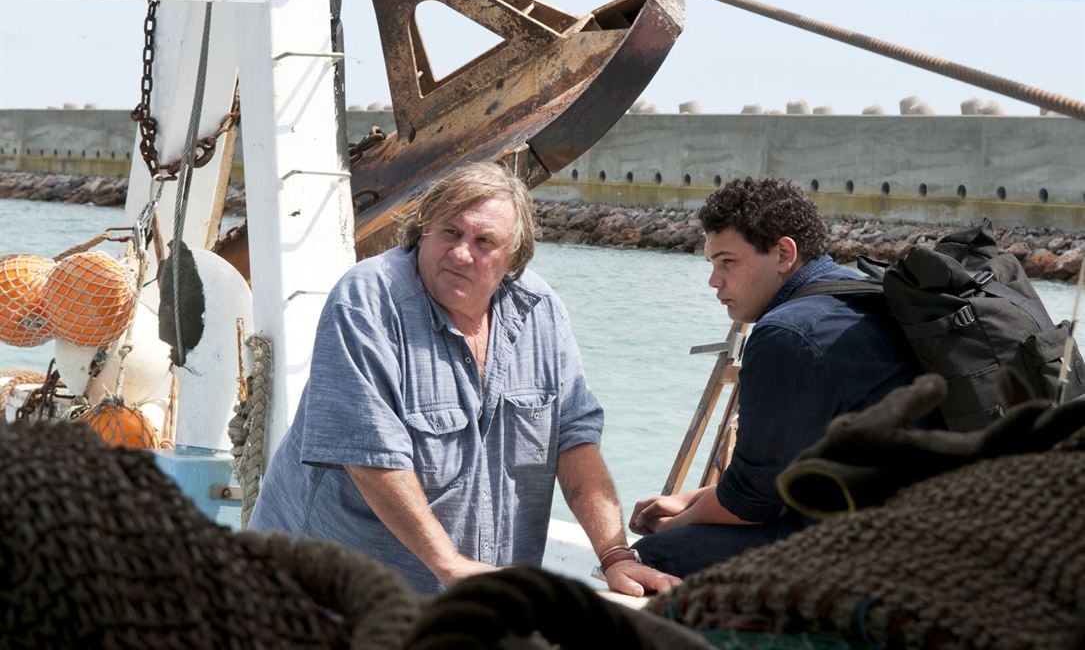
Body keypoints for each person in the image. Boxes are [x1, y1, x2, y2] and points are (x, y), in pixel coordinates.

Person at [251, 162, 679, 596]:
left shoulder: (541, 311)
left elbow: (573, 438)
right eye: (450, 233)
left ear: (512, 257)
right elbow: (372, 458)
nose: (460, 253)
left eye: (484, 241)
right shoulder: (368, 300)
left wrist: (615, 556)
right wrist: (450, 565)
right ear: (422, 231)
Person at [629, 176, 928, 577]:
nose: (714, 281)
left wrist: (671, 524)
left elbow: (749, 504)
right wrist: (691, 500)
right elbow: (776, 475)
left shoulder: (788, 333)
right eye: (712, 264)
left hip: (879, 555)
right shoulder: (860, 293)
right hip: (925, 530)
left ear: (784, 253)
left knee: (656, 555)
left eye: (727, 262)